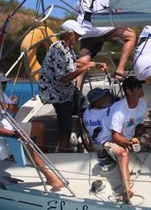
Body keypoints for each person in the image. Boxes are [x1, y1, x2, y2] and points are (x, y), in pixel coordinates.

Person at [0, 68, 63, 190]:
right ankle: (49, 176)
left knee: (39, 127)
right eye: (3, 84)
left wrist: (7, 105)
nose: (5, 87)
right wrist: (14, 134)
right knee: (24, 140)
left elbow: (16, 109)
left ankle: (41, 160)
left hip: (10, 129)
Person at [38, 20, 107, 152]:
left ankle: (89, 141)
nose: (79, 37)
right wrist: (85, 69)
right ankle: (64, 155)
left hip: (68, 92)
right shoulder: (58, 48)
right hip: (59, 96)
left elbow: (74, 64)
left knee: (86, 109)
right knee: (65, 131)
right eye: (77, 34)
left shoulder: (67, 48)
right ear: (69, 34)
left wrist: (95, 63)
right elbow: (63, 79)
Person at [100, 76, 151, 203]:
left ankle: (142, 153)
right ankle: (126, 191)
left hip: (131, 136)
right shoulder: (119, 110)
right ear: (129, 92)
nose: (142, 89)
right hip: (111, 139)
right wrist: (129, 144)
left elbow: (139, 124)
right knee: (123, 155)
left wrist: (141, 135)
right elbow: (115, 136)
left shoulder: (141, 103)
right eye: (138, 87)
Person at [77, 0, 136, 81]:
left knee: (83, 60)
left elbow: (78, 6)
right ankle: (120, 70)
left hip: (84, 28)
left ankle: (76, 88)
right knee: (131, 36)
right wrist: (124, 23)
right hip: (101, 27)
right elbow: (118, 8)